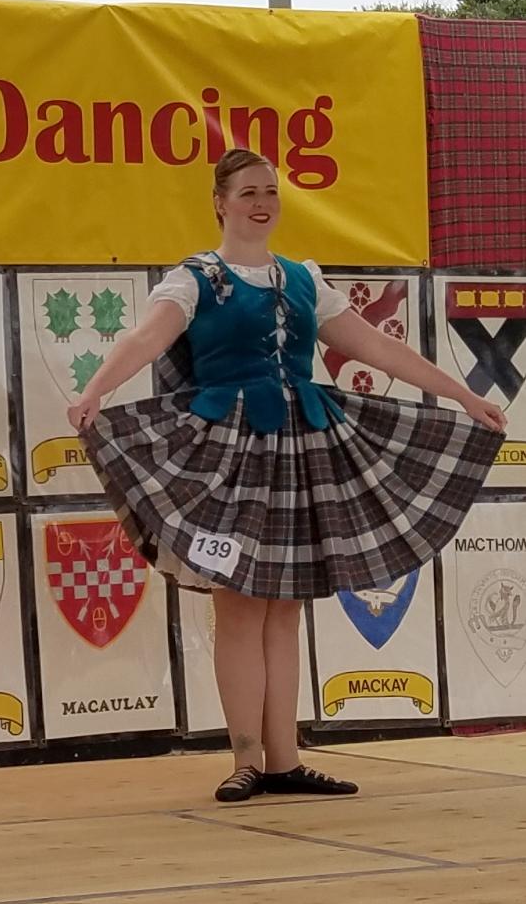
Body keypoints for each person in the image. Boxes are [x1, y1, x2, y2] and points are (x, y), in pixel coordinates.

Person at [68, 148, 506, 802]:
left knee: (284, 611)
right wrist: (95, 391)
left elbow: (375, 345)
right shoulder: (197, 279)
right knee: (241, 608)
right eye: (247, 192)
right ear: (220, 201)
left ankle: (282, 759)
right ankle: (245, 759)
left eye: (270, 191)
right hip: (230, 455)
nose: (261, 202)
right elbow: (144, 340)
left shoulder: (304, 279)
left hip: (301, 448)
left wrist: (463, 395)